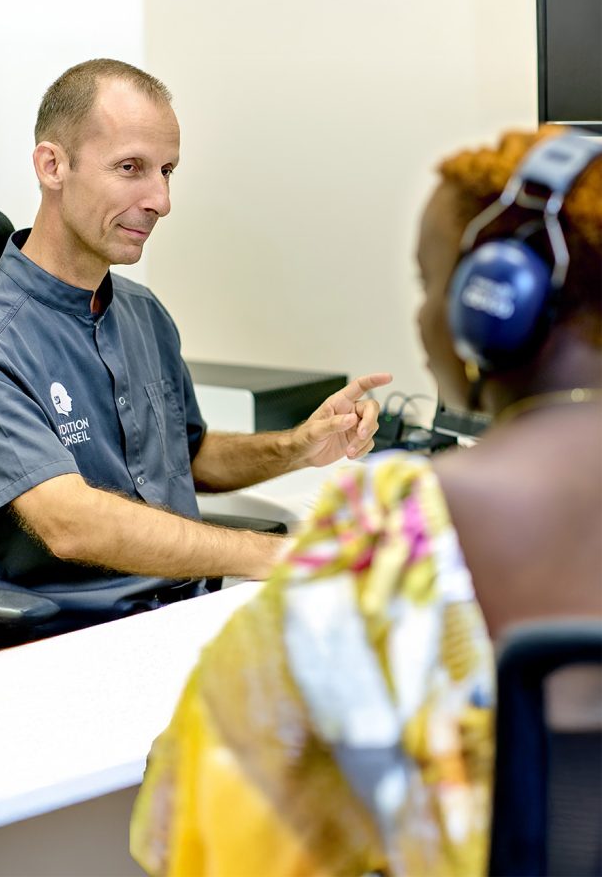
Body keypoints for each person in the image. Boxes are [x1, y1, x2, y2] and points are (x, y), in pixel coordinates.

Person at [130, 125, 602, 876]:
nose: (422, 320)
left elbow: (213, 789)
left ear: (495, 302)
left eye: (429, 285)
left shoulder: (399, 526)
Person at [0, 58, 391, 646]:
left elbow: (186, 457)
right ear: (52, 165)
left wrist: (297, 446)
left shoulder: (142, 312)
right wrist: (275, 553)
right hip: (68, 646)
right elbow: (71, 524)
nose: (161, 200)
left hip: (180, 616)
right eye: (130, 168)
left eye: (166, 170)